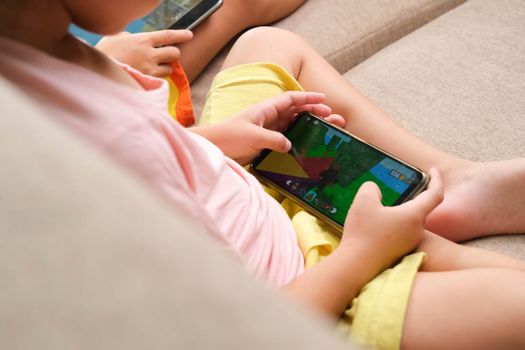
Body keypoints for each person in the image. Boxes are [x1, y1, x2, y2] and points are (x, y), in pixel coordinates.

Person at [0, 1, 524, 350]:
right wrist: (362, 255)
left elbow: (144, 166)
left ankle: (448, 188)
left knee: (266, 44)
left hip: (252, 189)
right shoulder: (55, 165)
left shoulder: (42, 63)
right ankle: (413, 230)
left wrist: (219, 140)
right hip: (307, 294)